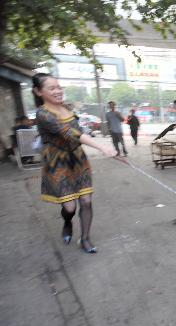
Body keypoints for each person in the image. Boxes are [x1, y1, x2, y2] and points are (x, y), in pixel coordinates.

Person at [32, 73, 117, 254]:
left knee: (86, 201)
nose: (58, 91)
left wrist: (104, 148)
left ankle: (85, 238)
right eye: (52, 88)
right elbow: (69, 133)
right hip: (58, 163)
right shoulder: (43, 114)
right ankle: (67, 222)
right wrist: (102, 147)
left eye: (59, 87)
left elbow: (78, 130)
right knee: (69, 207)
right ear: (38, 92)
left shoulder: (67, 109)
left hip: (78, 160)